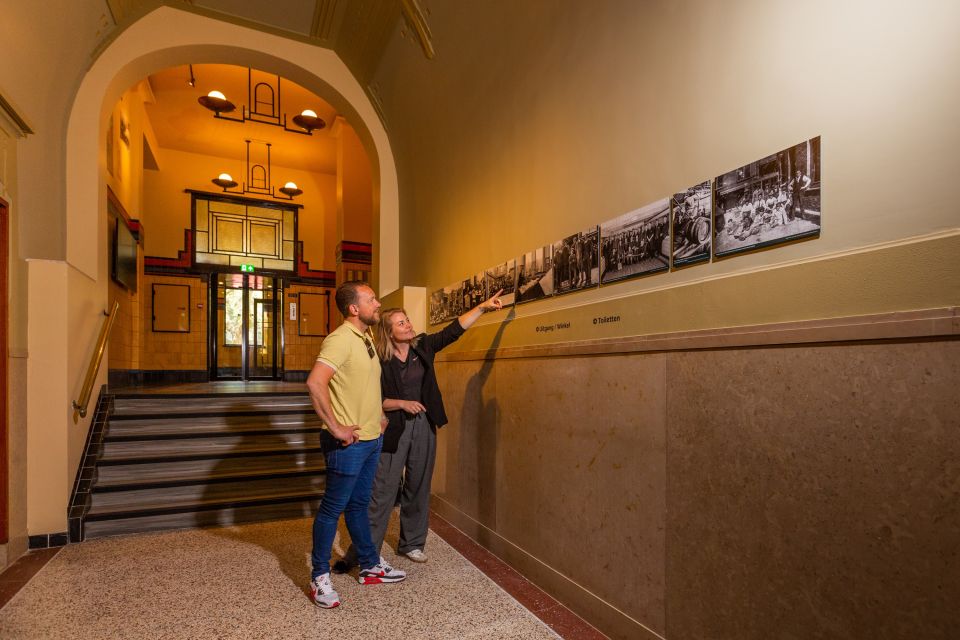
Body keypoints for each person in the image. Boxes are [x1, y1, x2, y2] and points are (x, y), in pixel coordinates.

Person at [337, 289, 503, 571]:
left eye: (408, 320)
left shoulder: (423, 347)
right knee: (382, 492)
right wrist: (401, 403)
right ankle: (365, 551)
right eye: (401, 323)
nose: (409, 325)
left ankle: (412, 543)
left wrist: (483, 308)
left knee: (418, 486)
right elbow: (371, 397)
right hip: (391, 428)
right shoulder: (379, 358)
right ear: (389, 332)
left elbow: (454, 330)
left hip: (424, 426)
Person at [306, 281, 406, 609]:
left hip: (370, 438)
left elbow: (365, 383)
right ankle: (319, 577)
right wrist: (335, 426)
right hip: (347, 443)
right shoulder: (339, 340)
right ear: (354, 308)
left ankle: (369, 565)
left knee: (359, 505)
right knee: (332, 508)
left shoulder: (365, 338)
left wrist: (378, 414)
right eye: (372, 300)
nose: (378, 304)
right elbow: (315, 381)